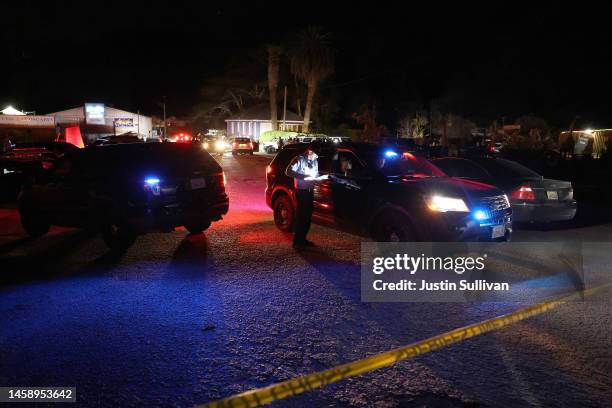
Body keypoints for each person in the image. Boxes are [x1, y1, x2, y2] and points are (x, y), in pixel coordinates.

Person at [286, 144, 319, 248]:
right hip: (301, 192)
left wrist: (318, 178)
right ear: (309, 151)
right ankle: (297, 242)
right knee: (301, 216)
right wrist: (303, 177)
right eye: (314, 154)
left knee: (308, 217)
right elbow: (288, 171)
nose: (316, 157)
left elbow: (316, 174)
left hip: (310, 191)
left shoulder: (314, 160)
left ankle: (303, 239)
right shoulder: (299, 159)